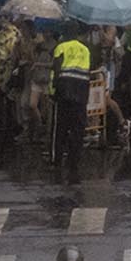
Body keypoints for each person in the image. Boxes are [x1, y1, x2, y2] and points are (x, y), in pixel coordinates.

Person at [51, 30, 95, 179]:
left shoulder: (61, 47)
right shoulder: (85, 49)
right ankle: (74, 160)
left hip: (64, 90)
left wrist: (53, 89)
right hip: (81, 91)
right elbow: (88, 70)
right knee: (78, 128)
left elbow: (56, 69)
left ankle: (56, 159)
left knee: (60, 127)